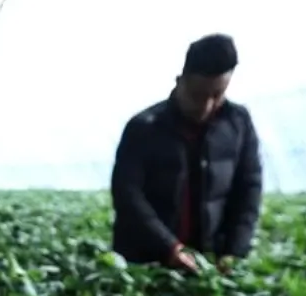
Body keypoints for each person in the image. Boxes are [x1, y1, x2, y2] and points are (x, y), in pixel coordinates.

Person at [110, 34, 263, 273]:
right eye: (198, 95)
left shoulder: (238, 123)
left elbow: (248, 189)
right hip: (148, 259)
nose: (207, 106)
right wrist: (168, 247)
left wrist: (234, 251)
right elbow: (127, 194)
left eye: (217, 95)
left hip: (208, 260)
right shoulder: (144, 127)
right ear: (180, 81)